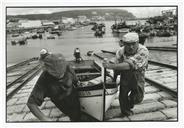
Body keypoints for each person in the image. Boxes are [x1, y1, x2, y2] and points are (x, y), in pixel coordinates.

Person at [27, 49, 81, 121]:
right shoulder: (44, 79)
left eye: (62, 73)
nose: (60, 76)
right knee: (73, 115)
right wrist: (44, 118)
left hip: (73, 96)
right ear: (48, 70)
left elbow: (74, 78)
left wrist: (77, 82)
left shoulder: (68, 67)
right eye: (56, 74)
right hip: (60, 102)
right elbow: (31, 103)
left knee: (77, 114)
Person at [102, 32, 149, 116]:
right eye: (128, 44)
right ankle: (125, 110)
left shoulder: (143, 50)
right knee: (123, 94)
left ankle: (131, 101)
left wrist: (110, 66)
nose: (131, 47)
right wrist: (110, 64)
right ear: (124, 44)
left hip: (138, 75)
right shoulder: (120, 51)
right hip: (125, 76)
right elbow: (116, 62)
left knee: (138, 98)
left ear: (138, 42)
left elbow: (129, 65)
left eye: (133, 44)